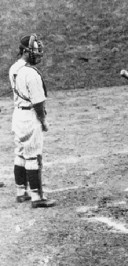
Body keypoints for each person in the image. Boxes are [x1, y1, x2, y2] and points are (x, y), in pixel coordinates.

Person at [8, 33, 56, 208]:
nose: (38, 54)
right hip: (29, 118)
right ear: (26, 52)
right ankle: (37, 198)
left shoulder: (14, 68)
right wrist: (43, 120)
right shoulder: (32, 74)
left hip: (17, 115)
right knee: (33, 156)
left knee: (20, 153)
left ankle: (21, 192)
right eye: (35, 52)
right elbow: (38, 102)